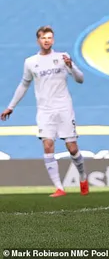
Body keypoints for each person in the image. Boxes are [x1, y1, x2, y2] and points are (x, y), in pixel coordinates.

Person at [0, 26, 89, 197]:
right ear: (38, 41)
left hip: (64, 108)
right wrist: (11, 106)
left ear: (53, 40)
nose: (47, 40)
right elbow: (24, 84)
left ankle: (83, 177)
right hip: (45, 111)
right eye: (43, 38)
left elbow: (80, 79)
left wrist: (71, 66)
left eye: (49, 37)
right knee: (48, 144)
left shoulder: (63, 57)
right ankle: (59, 188)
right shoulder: (31, 62)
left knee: (72, 148)